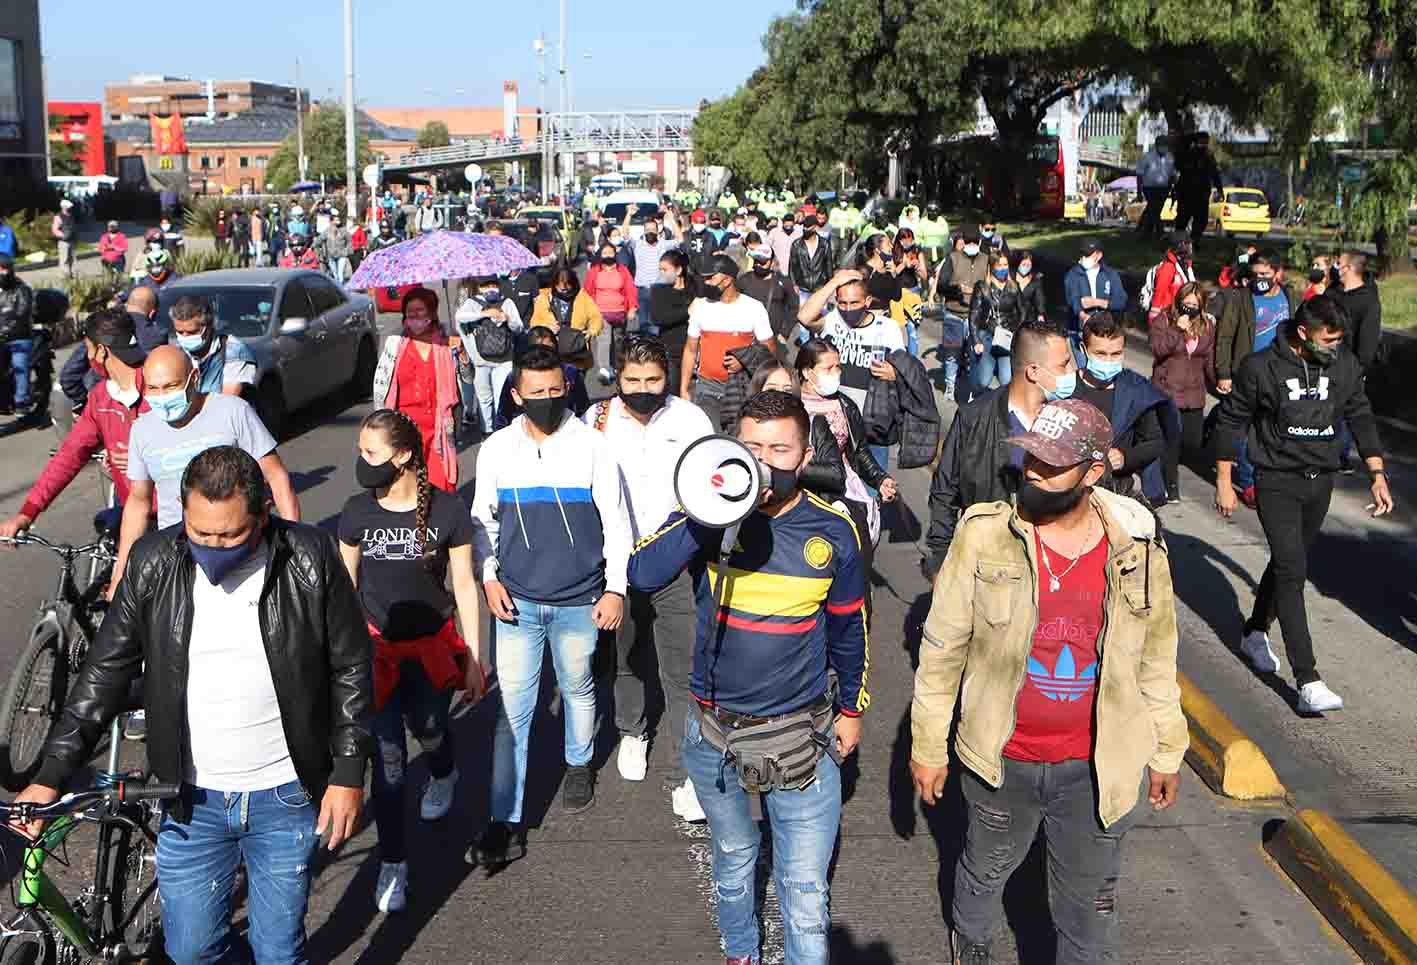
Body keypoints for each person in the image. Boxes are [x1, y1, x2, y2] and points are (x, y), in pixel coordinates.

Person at [11, 445, 372, 965]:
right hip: (190, 800)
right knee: (192, 951)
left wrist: (348, 772)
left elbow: (352, 667)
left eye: (230, 535)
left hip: (284, 795)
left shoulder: (310, 557)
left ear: (264, 515)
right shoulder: (153, 561)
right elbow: (103, 676)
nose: (213, 547)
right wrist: (50, 774)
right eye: (200, 534)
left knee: (278, 952)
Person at [911, 398, 1187, 965]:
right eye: (1031, 456)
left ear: (1092, 473)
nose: (1033, 471)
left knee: (1090, 912)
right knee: (984, 873)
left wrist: (1167, 748)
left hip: (1094, 768)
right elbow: (942, 649)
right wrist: (927, 746)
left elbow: (1155, 657)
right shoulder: (985, 534)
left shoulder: (1137, 547)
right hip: (1001, 758)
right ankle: (973, 945)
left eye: (1052, 463)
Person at [628, 390, 869, 965]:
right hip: (712, 729)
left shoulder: (834, 529)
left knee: (805, 891)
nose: (764, 461)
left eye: (779, 449)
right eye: (751, 447)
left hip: (801, 733)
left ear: (805, 454)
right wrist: (709, 511)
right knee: (734, 859)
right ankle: (742, 952)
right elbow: (643, 571)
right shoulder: (707, 514)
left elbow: (849, 629)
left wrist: (853, 709)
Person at [468, 346, 630, 865]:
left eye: (555, 391)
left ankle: (579, 762)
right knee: (511, 713)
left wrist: (616, 588)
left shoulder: (593, 447)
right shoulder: (495, 450)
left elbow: (617, 522)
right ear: (515, 395)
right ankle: (505, 822)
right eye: (534, 393)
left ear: (567, 388)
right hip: (515, 601)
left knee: (579, 687)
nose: (546, 400)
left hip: (580, 599)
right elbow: (482, 524)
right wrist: (489, 577)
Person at [338, 409, 486, 914]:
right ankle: (393, 863)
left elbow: (463, 585)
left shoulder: (446, 511)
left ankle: (445, 773)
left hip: (430, 650)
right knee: (390, 764)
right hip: (376, 654)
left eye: (371, 453)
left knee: (432, 732)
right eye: (361, 451)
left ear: (402, 457)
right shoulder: (357, 512)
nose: (362, 462)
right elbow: (342, 588)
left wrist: (474, 659)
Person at [1213, 295, 1392, 712]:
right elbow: (1231, 420)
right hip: (1276, 480)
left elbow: (1359, 414)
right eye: (1328, 339)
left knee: (1285, 562)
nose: (1334, 346)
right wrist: (1224, 480)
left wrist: (1377, 472)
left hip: (1321, 480)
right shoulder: (1261, 368)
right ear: (1301, 333)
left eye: (1339, 339)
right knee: (1294, 569)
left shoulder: (1343, 364)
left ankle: (1255, 630)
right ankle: (1307, 679)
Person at [582, 337, 713, 797]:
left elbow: (708, 484)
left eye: (653, 379)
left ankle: (688, 771)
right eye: (632, 380)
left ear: (667, 377)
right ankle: (632, 730)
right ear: (617, 378)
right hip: (615, 563)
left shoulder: (690, 418)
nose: (642, 388)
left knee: (682, 667)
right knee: (626, 657)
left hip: (676, 558)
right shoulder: (595, 421)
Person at [111, 345, 299, 590]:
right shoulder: (142, 430)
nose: (162, 396)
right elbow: (138, 502)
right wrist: (120, 573)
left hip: (241, 549)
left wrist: (292, 548)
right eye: (153, 389)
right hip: (180, 557)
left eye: (170, 387)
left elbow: (277, 478)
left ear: (194, 378)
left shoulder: (233, 412)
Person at [923, 321, 1076, 579]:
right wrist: (940, 561)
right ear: (1034, 372)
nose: (1073, 372)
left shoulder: (1073, 420)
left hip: (1053, 572)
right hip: (986, 569)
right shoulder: (974, 418)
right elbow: (944, 491)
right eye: (1063, 365)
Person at [0, 310, 150, 542]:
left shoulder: (161, 387)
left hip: (176, 519)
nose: (88, 356)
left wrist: (147, 459)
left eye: (88, 349)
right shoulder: (101, 397)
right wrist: (27, 512)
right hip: (133, 516)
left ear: (101, 351)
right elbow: (69, 455)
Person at [796, 337, 896, 554]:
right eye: (828, 368)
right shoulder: (792, 404)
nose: (835, 373)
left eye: (838, 367)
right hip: (801, 491)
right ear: (807, 372)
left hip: (842, 489)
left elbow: (859, 449)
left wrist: (879, 479)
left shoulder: (845, 405)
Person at [1216, 250, 1297, 506]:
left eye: (1265, 274)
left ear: (1278, 273)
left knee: (1276, 426)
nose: (1260, 279)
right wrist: (1224, 372)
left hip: (1282, 372)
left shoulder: (1288, 296)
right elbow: (1225, 336)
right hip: (1248, 372)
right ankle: (1249, 481)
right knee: (1246, 428)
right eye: (1255, 274)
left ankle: (1274, 475)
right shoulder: (1242, 298)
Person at [1074, 313, 1174, 505]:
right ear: (1083, 350)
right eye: (1101, 354)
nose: (1109, 361)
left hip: (1118, 492)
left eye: (1116, 354)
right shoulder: (1067, 389)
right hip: (1073, 493)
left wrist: (1125, 457)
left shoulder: (1136, 391)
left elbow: (1155, 442)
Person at [373, 288, 462, 492]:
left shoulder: (447, 343)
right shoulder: (393, 344)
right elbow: (381, 385)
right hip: (405, 430)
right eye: (410, 312)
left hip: (437, 430)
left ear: (431, 313)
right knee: (408, 487)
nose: (415, 316)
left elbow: (467, 378)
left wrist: (462, 354)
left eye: (420, 311)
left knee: (440, 486)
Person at [681, 254, 776, 429]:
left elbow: (770, 352)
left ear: (727, 280)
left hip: (742, 389)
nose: (706, 282)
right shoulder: (700, 307)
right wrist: (684, 389)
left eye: (710, 278)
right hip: (706, 389)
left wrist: (745, 361)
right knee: (709, 438)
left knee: (738, 440)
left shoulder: (753, 308)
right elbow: (690, 350)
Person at [797, 269, 906, 414]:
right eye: (842, 303)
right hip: (833, 408)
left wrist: (895, 374)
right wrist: (834, 282)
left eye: (854, 303)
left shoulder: (887, 328)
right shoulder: (832, 320)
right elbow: (804, 317)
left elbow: (904, 370)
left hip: (870, 412)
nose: (848, 309)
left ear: (867, 301)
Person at [1150, 282, 1216, 502]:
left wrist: (1219, 381)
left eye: (1195, 304)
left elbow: (1209, 359)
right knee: (1172, 441)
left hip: (1194, 393)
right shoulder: (1164, 320)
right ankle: (1170, 485)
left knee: (1192, 441)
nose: (1190, 307)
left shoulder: (1207, 326)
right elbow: (1158, 350)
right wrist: (1176, 329)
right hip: (1167, 390)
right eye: (1186, 302)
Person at [931, 224, 990, 399]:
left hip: (976, 316)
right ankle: (950, 385)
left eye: (975, 242)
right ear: (963, 242)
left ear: (979, 242)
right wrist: (958, 290)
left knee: (975, 355)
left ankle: (973, 391)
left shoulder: (986, 259)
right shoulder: (953, 258)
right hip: (954, 314)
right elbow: (942, 285)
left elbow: (991, 283)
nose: (972, 245)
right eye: (969, 241)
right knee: (952, 354)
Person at [495, 326, 591, 428]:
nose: (543, 355)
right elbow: (504, 414)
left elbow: (583, 408)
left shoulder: (571, 372)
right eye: (537, 392)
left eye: (555, 389)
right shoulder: (515, 376)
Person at [169, 295, 257, 398]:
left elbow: (227, 401)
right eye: (180, 332)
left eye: (191, 332)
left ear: (209, 327)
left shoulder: (234, 352)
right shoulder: (176, 353)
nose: (184, 337)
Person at [968, 251, 1027, 391]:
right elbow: (973, 315)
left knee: (1007, 380)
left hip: (1006, 338)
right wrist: (976, 340)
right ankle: (975, 387)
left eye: (1005, 265)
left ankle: (1001, 407)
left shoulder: (1013, 287)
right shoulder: (982, 287)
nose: (1003, 268)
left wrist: (1016, 331)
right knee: (984, 381)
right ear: (992, 266)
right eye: (999, 265)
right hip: (987, 336)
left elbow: (1022, 311)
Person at [584, 241, 639, 381]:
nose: (608, 255)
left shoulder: (623, 270)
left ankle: (616, 366)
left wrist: (632, 307)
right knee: (604, 340)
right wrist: (588, 313)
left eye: (611, 252)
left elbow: (630, 290)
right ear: (600, 255)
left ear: (615, 254)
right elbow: (587, 292)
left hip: (620, 313)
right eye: (605, 253)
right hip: (601, 312)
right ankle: (603, 368)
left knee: (619, 340)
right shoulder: (594, 271)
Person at [531, 265, 604, 369]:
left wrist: (592, 331)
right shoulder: (544, 298)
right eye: (559, 287)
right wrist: (547, 327)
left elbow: (596, 316)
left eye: (567, 286)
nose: (563, 289)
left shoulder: (582, 296)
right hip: (552, 352)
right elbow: (534, 322)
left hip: (576, 352)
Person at [737, 238, 801, 353]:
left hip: (773, 340)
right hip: (746, 338)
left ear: (771, 262)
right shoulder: (743, 280)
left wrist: (785, 333)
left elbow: (794, 307)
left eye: (763, 262)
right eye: (756, 260)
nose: (759, 264)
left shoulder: (783, 282)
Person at [650, 249, 700, 395]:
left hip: (694, 350)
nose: (661, 273)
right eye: (660, 269)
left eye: (665, 269)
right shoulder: (658, 290)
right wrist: (687, 312)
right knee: (672, 395)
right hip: (671, 351)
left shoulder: (695, 288)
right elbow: (658, 318)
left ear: (678, 270)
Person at [1063, 239, 1127, 352]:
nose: (1084, 258)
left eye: (1087, 255)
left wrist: (1097, 302)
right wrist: (1083, 316)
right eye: (1082, 254)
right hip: (1079, 331)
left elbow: (1121, 301)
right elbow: (1073, 299)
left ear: (1099, 255)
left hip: (1105, 333)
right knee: (1083, 365)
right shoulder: (1073, 274)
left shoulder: (1110, 274)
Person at [1331, 250, 1383, 377]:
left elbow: (1366, 349)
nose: (1335, 267)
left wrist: (1354, 375)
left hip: (1348, 373)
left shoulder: (1368, 302)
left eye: (1339, 264)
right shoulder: (1332, 291)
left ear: (1348, 268)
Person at [629, 211, 681, 336]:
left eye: (653, 229)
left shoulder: (664, 244)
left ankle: (656, 351)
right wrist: (629, 215)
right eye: (647, 229)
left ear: (658, 231)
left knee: (655, 324)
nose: (650, 232)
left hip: (658, 290)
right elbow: (625, 235)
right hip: (642, 290)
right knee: (643, 324)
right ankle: (645, 352)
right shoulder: (638, 244)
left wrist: (671, 219)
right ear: (644, 231)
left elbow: (680, 239)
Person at [0, 253, 35, 414]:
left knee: (19, 364)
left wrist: (6, 329)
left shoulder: (22, 289)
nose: (2, 272)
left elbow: (22, 312)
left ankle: (21, 401)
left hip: (18, 337)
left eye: (4, 269)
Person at [1173, 131, 1223, 243]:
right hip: (1186, 192)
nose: (1204, 144)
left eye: (1206, 142)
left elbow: (1214, 174)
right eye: (1202, 141)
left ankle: (1194, 241)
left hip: (1202, 193)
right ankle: (1179, 242)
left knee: (1201, 219)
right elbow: (1178, 165)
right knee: (1183, 218)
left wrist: (1219, 189)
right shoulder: (1186, 154)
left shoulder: (1208, 156)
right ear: (1196, 142)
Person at [1147, 232, 1197, 321]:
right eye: (1188, 244)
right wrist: (1154, 317)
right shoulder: (1168, 267)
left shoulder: (1186, 266)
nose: (1191, 247)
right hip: (1168, 315)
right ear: (1181, 246)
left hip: (1181, 312)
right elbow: (1159, 292)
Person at [1136, 137, 1177, 238]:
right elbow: (1139, 174)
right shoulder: (1148, 157)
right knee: (1154, 209)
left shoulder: (1170, 157)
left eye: (1165, 144)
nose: (1164, 147)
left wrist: (1172, 189)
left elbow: (1173, 175)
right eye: (1162, 144)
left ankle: (1144, 231)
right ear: (1156, 145)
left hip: (1163, 188)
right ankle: (1160, 231)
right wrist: (1139, 192)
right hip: (1149, 188)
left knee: (1154, 210)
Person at [789, 207, 834, 295]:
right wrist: (794, 284)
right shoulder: (796, 244)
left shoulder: (824, 244)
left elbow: (828, 265)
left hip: (820, 287)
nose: (805, 228)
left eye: (808, 226)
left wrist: (830, 285)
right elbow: (792, 266)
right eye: (804, 226)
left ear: (816, 227)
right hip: (802, 288)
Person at [685, 208, 725, 276]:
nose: (699, 225)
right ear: (692, 222)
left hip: (706, 271)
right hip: (689, 271)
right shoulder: (685, 236)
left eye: (702, 222)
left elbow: (715, 252)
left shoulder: (710, 236)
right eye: (697, 222)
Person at [1013, 249, 1047, 325]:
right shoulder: (1010, 277)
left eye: (1028, 265)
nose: (1026, 267)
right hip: (1011, 317)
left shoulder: (1036, 281)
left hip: (1028, 318)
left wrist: (1040, 314)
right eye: (1024, 264)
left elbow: (1039, 299)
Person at [324, 213, 354, 284]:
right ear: (331, 221)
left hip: (341, 254)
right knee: (335, 275)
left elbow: (349, 241)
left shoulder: (343, 230)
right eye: (336, 220)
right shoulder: (327, 231)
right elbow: (319, 240)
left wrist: (347, 251)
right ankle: (336, 288)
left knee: (340, 274)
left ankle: (341, 289)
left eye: (338, 219)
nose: (338, 221)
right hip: (331, 255)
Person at [52, 199, 78, 276]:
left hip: (72, 240)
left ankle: (73, 274)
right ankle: (64, 275)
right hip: (64, 241)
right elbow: (55, 229)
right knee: (64, 259)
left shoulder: (71, 215)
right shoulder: (58, 217)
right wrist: (63, 235)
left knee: (72, 259)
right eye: (68, 207)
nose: (69, 208)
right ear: (63, 207)